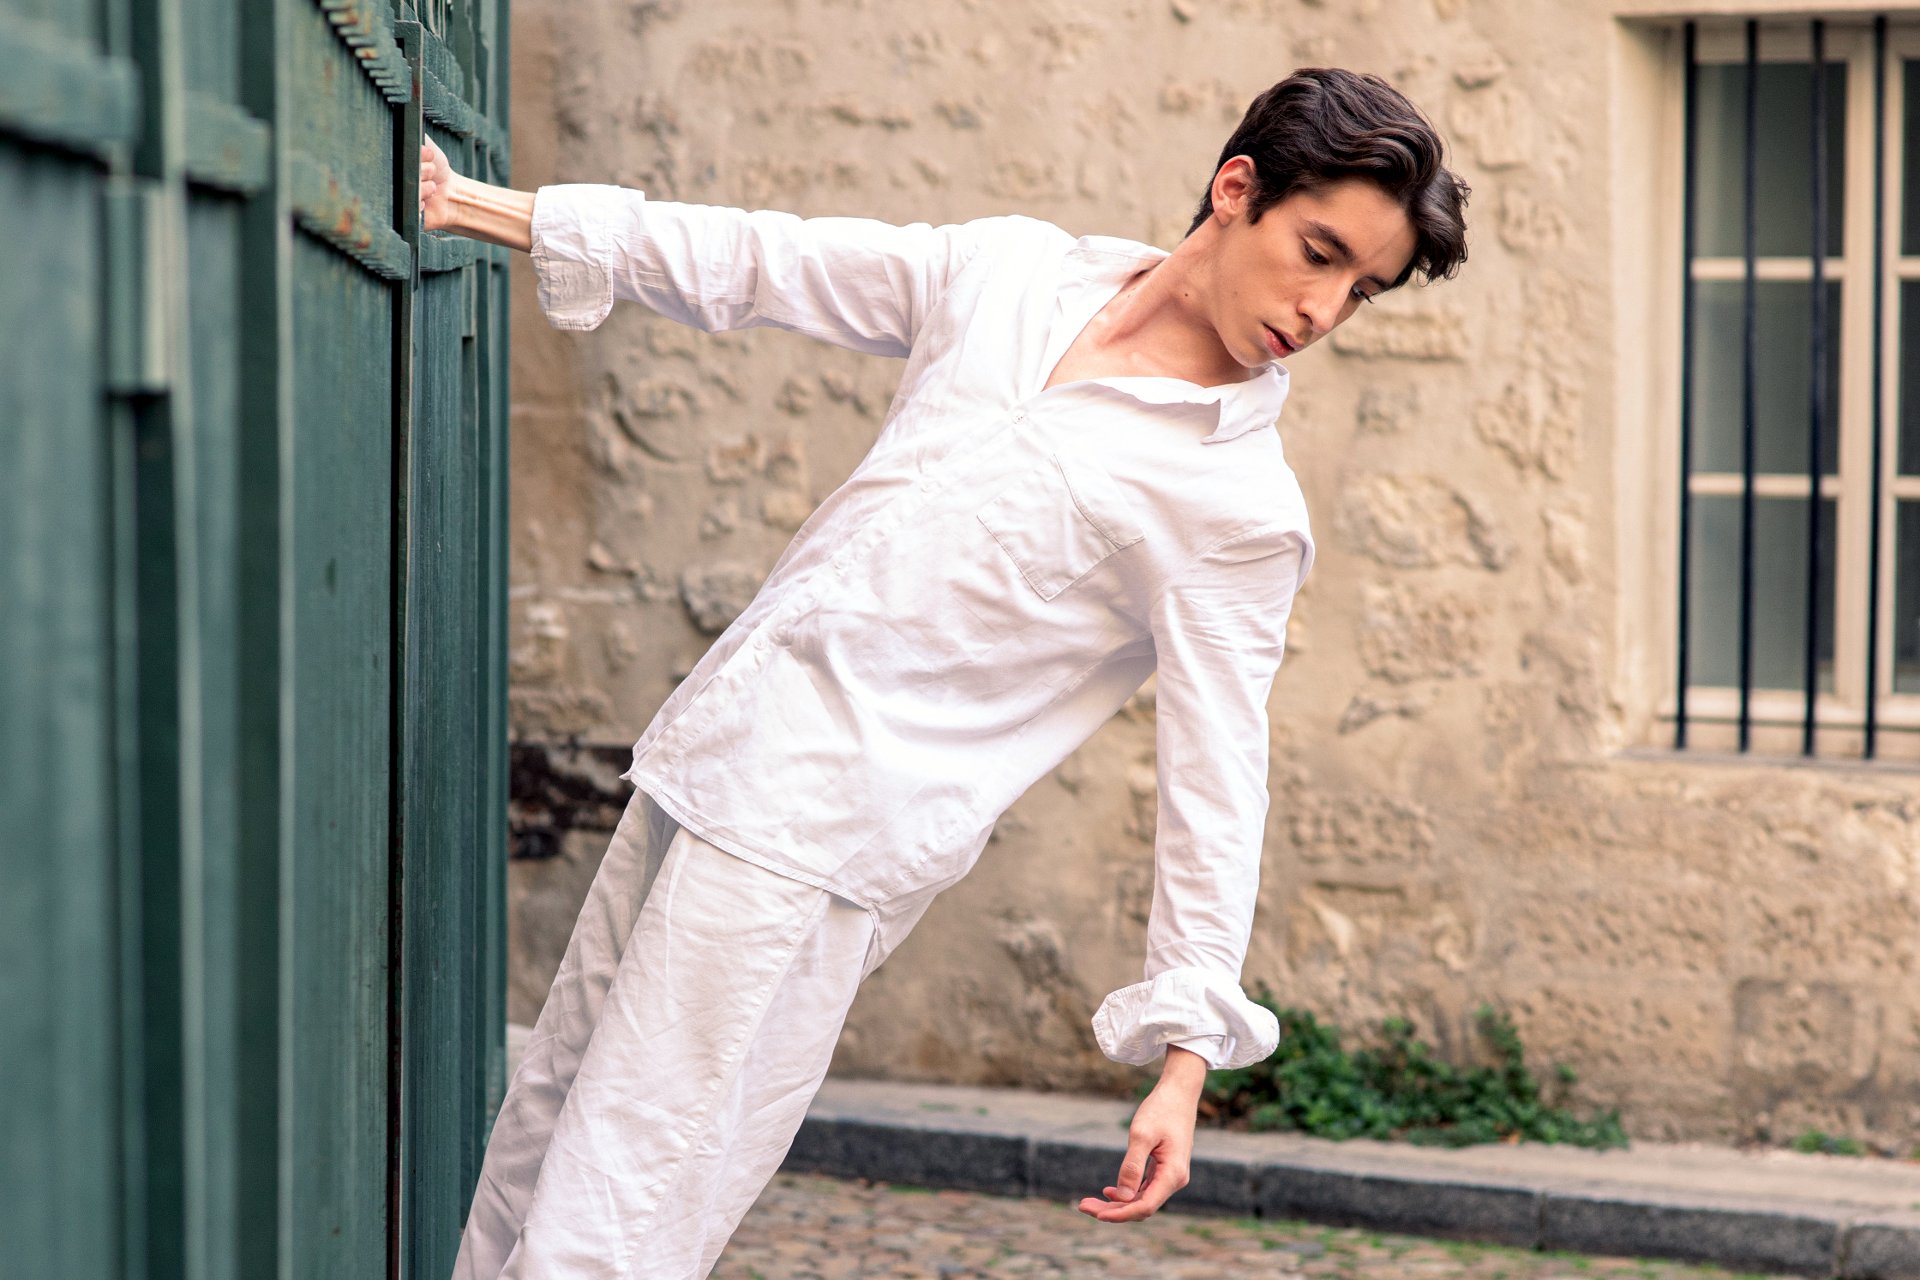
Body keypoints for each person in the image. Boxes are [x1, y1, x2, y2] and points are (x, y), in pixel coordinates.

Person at [431, 66, 1468, 1280]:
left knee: (626, 1196)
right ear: (1237, 188)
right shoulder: (1017, 274)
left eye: (1361, 289)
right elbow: (768, 262)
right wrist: (476, 206)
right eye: (1319, 253)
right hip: (716, 745)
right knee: (545, 1122)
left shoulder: (1236, 505)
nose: (1325, 307)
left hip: (819, 841)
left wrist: (1187, 1058)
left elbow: (1220, 775)